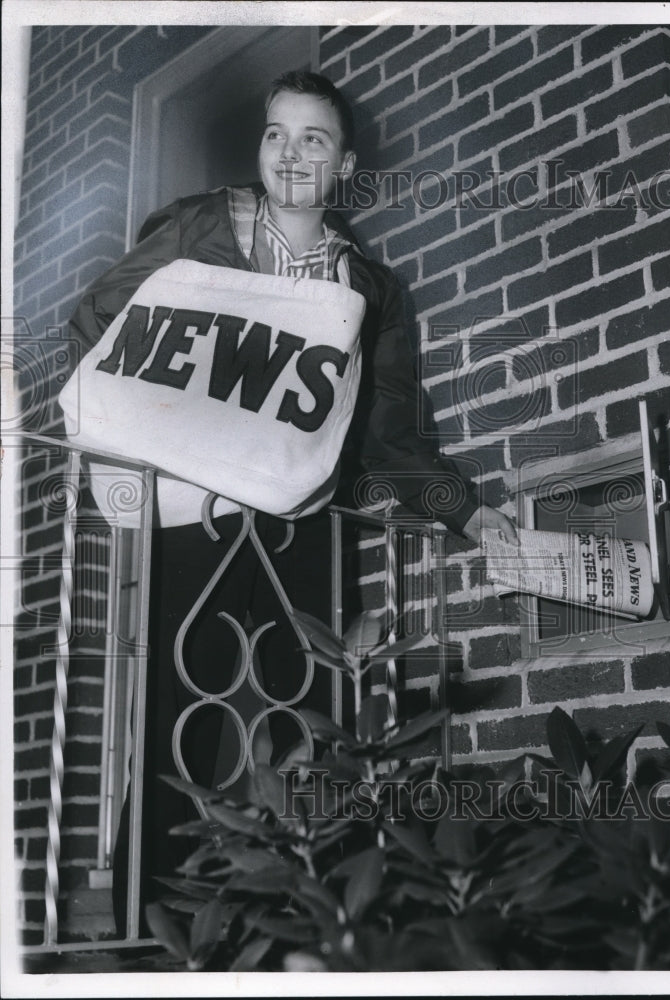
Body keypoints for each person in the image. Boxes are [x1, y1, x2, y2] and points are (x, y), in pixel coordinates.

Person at [67, 71, 516, 935]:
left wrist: (471, 513)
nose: (291, 153)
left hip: (301, 522)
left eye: (313, 138)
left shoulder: (374, 290)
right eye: (277, 134)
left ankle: (321, 917)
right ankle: (146, 919)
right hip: (190, 513)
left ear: (344, 163)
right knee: (179, 707)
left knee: (314, 710)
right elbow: (100, 321)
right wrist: (157, 435)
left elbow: (393, 437)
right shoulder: (202, 226)